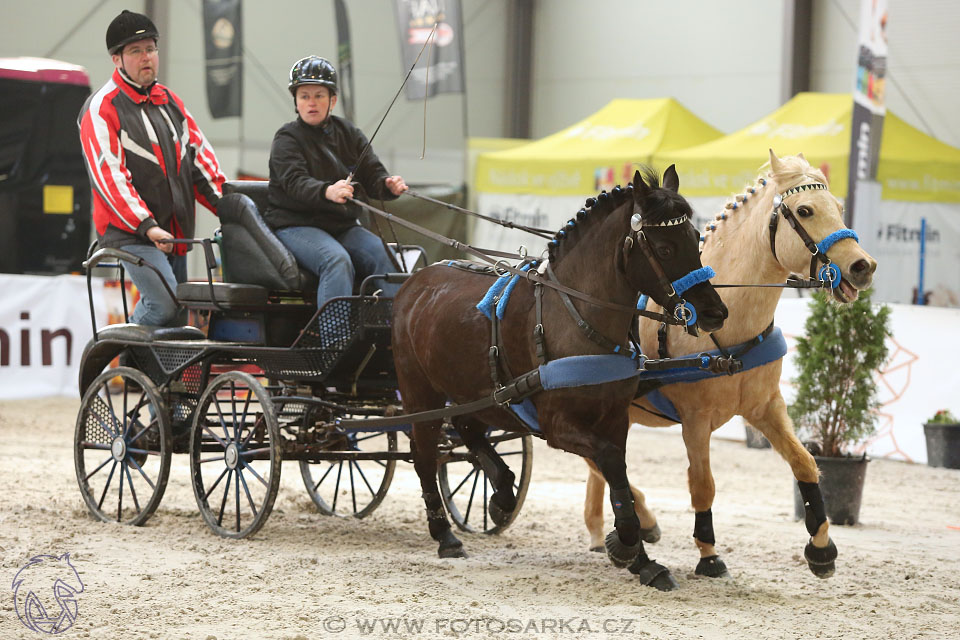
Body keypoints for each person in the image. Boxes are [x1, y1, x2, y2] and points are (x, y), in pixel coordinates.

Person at [78, 10, 225, 327]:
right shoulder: (101, 108)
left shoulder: (170, 103)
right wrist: (147, 226)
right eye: (135, 51)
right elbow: (110, 179)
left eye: (151, 48)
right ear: (116, 59)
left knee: (176, 321)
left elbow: (201, 164)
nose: (147, 57)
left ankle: (149, 377)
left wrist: (231, 207)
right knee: (167, 305)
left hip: (175, 233)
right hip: (131, 234)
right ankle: (121, 352)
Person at [265, 55, 408, 313]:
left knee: (383, 254)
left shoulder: (349, 133)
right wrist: (327, 191)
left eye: (319, 95)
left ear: (333, 100)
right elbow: (294, 182)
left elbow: (372, 173)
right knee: (336, 260)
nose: (311, 103)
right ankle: (335, 343)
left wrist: (388, 185)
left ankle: (394, 335)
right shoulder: (286, 138)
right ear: (296, 101)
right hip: (295, 225)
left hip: (341, 225)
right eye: (304, 95)